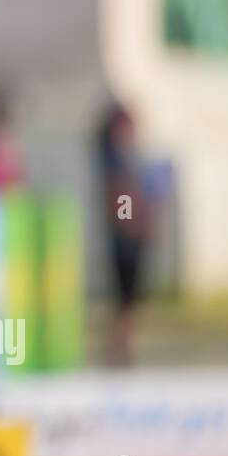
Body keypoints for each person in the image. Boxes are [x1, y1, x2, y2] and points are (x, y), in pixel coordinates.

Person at [97, 100, 153, 366]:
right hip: (125, 237)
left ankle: (124, 346)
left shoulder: (129, 160)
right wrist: (132, 225)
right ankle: (120, 347)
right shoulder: (115, 164)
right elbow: (120, 202)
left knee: (130, 298)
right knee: (124, 296)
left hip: (132, 235)